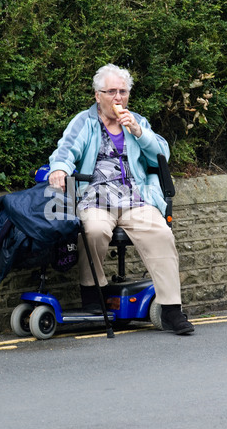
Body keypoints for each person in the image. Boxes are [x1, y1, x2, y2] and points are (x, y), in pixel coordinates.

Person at [48, 63, 194, 335]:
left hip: (134, 196)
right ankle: (95, 297)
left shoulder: (137, 121)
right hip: (96, 196)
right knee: (92, 230)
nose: (118, 98)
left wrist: (139, 132)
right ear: (97, 95)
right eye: (111, 91)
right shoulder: (85, 121)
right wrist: (60, 169)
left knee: (160, 232)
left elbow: (162, 156)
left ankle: (172, 309)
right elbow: (65, 150)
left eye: (123, 92)